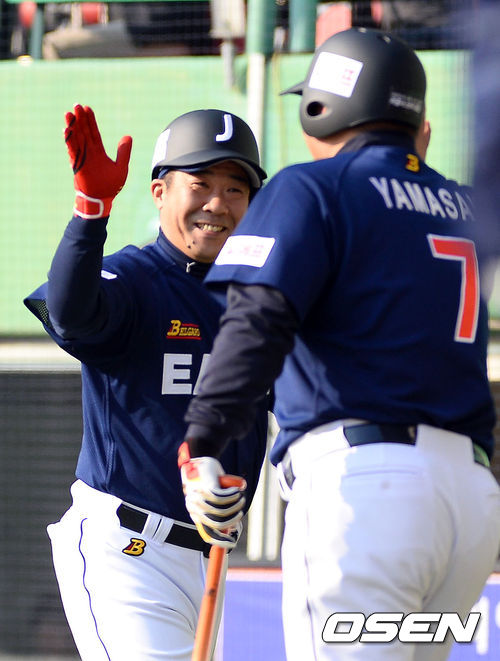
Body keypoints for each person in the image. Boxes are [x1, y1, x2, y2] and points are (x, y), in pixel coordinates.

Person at [178, 28, 500, 661]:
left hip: (365, 491)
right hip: (469, 500)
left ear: (322, 107)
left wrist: (203, 439)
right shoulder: (463, 206)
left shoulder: (312, 186)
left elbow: (257, 322)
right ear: (417, 124)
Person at [23, 104, 269, 660]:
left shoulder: (260, 299)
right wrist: (90, 212)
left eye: (235, 189)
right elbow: (71, 312)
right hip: (128, 550)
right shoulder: (134, 277)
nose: (217, 204)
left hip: (210, 561)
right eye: (200, 183)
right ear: (160, 192)